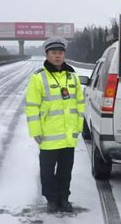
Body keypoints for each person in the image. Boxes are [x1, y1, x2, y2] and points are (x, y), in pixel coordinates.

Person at [25, 36, 85, 213]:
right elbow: (32, 107)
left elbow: (80, 103)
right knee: (47, 172)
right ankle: (51, 200)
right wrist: (36, 132)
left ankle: (64, 199)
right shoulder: (38, 78)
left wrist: (77, 128)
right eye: (54, 53)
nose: (57, 56)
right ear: (47, 54)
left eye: (60, 53)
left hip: (68, 136)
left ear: (64, 54)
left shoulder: (72, 76)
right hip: (48, 136)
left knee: (66, 171)